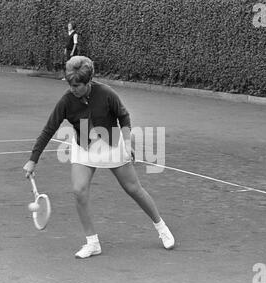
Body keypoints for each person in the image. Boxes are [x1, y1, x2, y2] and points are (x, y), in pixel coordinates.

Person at [23, 56, 175, 259]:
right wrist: (33, 160)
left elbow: (124, 117)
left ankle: (161, 227)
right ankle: (92, 242)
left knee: (133, 189)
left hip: (111, 142)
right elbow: (49, 129)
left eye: (77, 85)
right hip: (84, 147)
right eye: (70, 84)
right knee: (79, 191)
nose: (72, 89)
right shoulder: (67, 101)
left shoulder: (106, 93)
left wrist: (128, 143)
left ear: (89, 82)